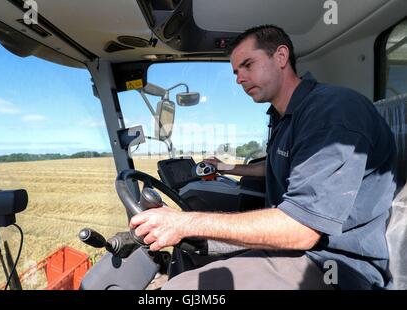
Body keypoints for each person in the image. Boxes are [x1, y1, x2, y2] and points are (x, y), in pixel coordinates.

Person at [130, 25, 397, 290]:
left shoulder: (332, 110)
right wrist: (225, 168)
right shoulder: (285, 119)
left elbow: (301, 229)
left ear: (280, 57)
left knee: (180, 291)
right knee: (193, 249)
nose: (239, 79)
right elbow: (272, 166)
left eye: (248, 65)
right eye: (236, 72)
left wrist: (185, 221)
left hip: (335, 266)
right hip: (299, 248)